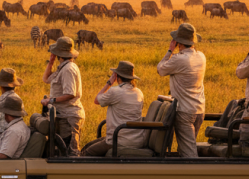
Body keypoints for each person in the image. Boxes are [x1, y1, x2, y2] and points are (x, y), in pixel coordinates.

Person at [157, 23, 206, 158]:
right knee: (187, 147)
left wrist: (169, 51)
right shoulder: (201, 56)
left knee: (189, 153)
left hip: (184, 112)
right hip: (199, 110)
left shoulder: (179, 59)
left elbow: (160, 69)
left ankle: (194, 177)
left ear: (179, 42)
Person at [81, 61, 145, 156]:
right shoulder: (139, 93)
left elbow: (96, 100)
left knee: (86, 152)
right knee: (91, 144)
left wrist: (109, 82)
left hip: (118, 140)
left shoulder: (115, 91)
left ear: (117, 76)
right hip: (137, 140)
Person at [40, 37, 84, 156]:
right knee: (62, 151)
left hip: (70, 116)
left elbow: (70, 93)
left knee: (70, 152)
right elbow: (46, 79)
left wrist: (51, 100)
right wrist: (51, 62)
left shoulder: (68, 69)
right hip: (63, 115)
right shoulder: (63, 67)